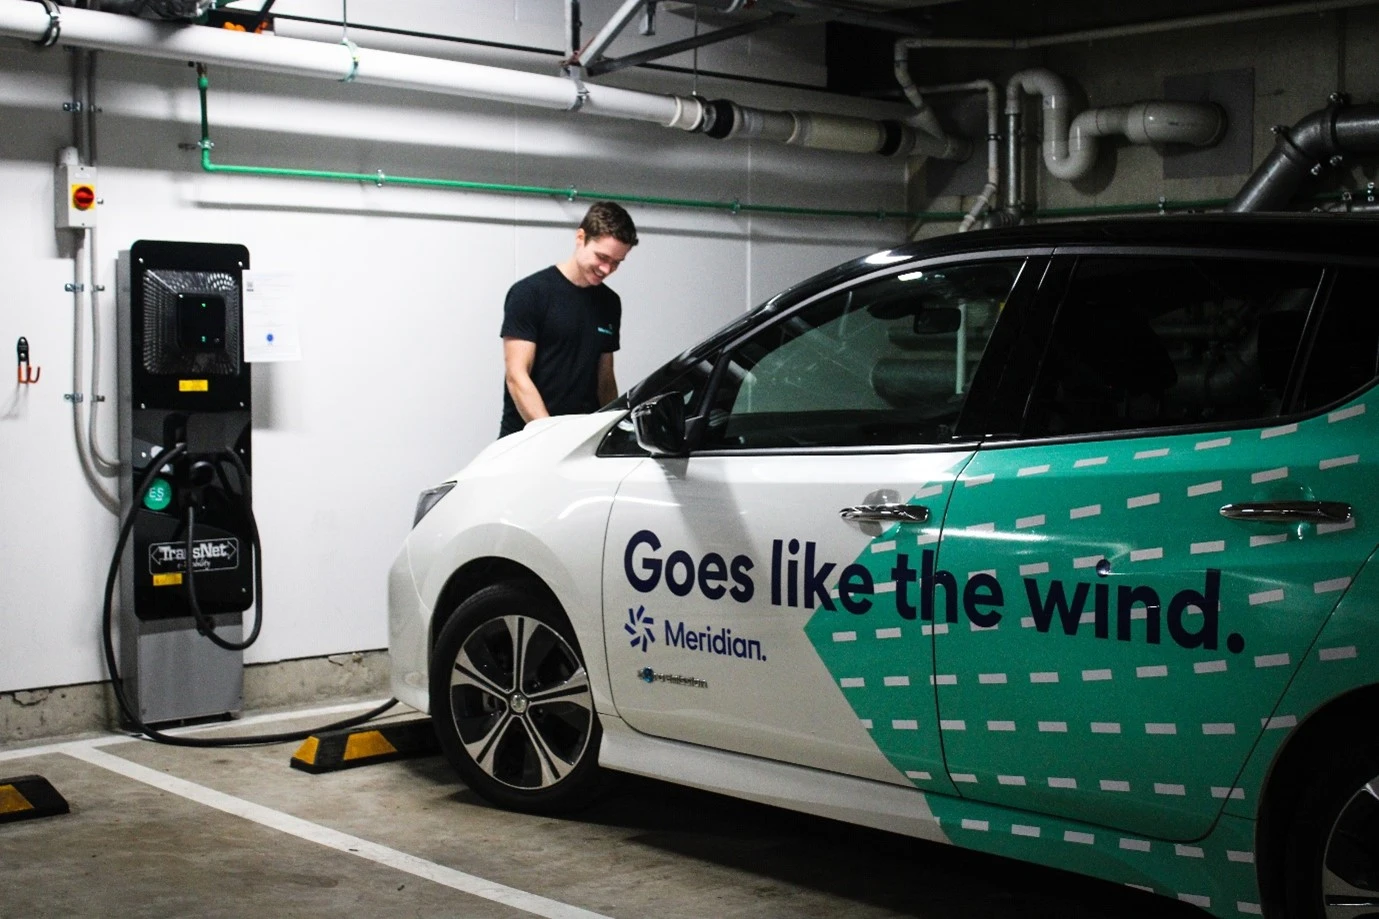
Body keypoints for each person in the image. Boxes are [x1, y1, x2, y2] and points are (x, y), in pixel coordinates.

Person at [499, 201, 639, 438]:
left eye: (616, 262)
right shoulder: (530, 293)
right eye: (602, 257)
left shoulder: (610, 302)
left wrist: (616, 433)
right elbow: (516, 375)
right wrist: (551, 436)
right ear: (580, 237)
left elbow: (605, 379)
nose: (607, 269)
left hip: (582, 442)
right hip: (525, 439)